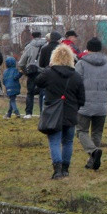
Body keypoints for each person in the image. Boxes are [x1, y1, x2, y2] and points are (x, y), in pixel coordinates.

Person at [35, 44, 85, 179]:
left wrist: (48, 66)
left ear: (54, 57)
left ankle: (57, 170)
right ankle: (65, 169)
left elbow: (38, 82)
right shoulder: (76, 76)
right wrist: (75, 107)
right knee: (68, 142)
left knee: (54, 141)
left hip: (53, 113)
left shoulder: (49, 73)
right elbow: (82, 99)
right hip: (70, 112)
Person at [75, 37, 107, 171]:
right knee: (97, 132)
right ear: (100, 49)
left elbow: (75, 83)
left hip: (84, 105)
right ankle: (92, 160)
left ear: (87, 49)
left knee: (81, 131)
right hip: (102, 105)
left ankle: (92, 151)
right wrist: (106, 96)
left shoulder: (81, 64)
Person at [19, 30, 47, 118]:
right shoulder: (46, 45)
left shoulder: (29, 46)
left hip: (32, 72)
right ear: (40, 35)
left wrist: (25, 71)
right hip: (43, 72)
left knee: (30, 93)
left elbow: (21, 63)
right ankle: (42, 113)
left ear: (32, 36)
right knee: (42, 93)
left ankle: (28, 113)